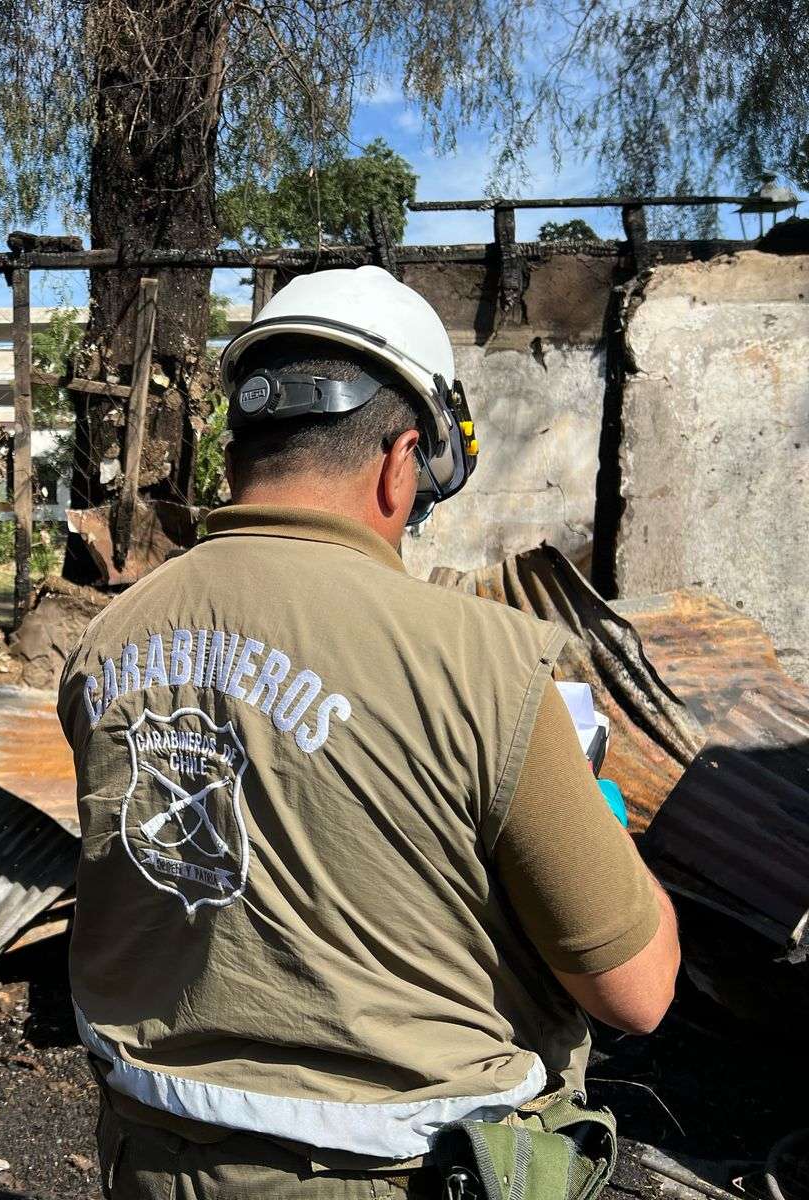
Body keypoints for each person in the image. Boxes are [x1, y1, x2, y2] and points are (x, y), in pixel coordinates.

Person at [57, 266, 680, 1200]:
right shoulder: (486, 664)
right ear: (403, 461)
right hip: (396, 1176)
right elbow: (637, 990)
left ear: (243, 454)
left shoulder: (106, 643)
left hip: (153, 1158)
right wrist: (595, 826)